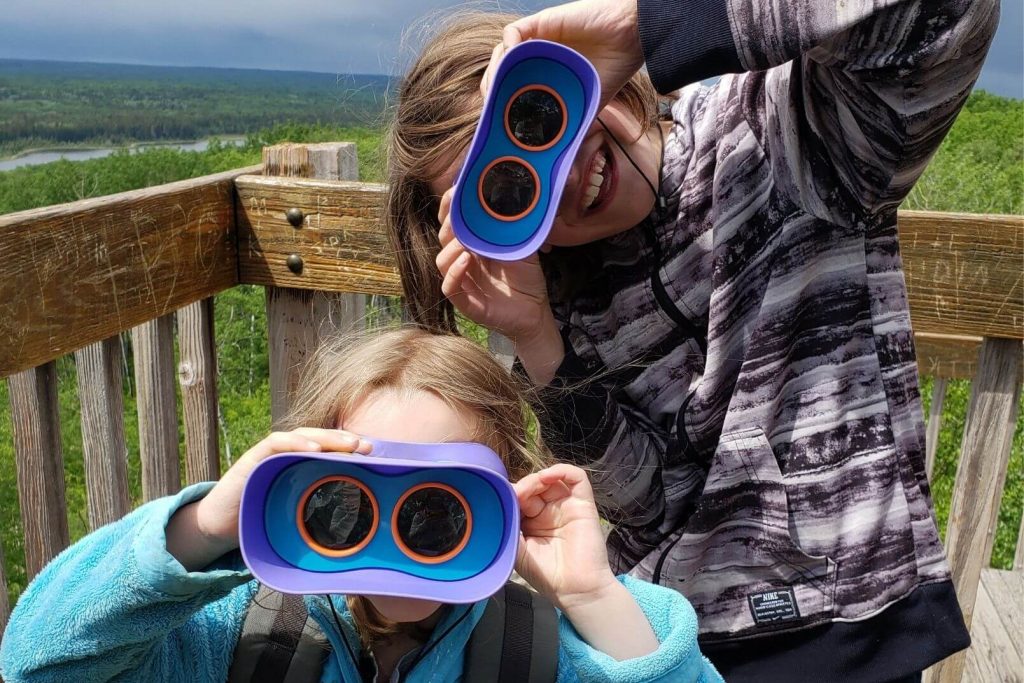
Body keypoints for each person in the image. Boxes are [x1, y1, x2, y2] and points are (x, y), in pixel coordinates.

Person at [384, 1, 999, 681]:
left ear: (573, 76)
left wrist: (656, 24)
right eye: (507, 190)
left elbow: (942, 14)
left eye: (537, 121)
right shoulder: (560, 291)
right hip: (663, 639)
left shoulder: (776, 137)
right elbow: (645, 502)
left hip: (841, 624)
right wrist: (538, 338)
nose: (558, 181)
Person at [0, 329, 722, 683]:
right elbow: (39, 663)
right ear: (296, 492)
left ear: (501, 497)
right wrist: (205, 526)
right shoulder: (241, 633)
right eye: (343, 506)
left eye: (436, 512)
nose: (392, 544)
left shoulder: (543, 645)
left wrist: (589, 594)